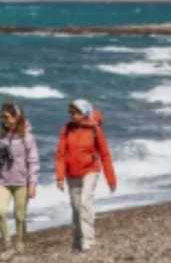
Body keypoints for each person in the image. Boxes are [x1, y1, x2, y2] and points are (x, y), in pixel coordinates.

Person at [55, 99, 116, 253]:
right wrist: (60, 177)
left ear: (85, 112)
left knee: (84, 202)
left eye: (76, 112)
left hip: (91, 170)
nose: (72, 115)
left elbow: (105, 155)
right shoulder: (66, 129)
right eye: (71, 112)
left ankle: (88, 241)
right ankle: (77, 241)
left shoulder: (95, 129)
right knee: (76, 208)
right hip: (72, 173)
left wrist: (111, 179)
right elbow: (60, 155)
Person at [0, 102, 39, 260]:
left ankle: (19, 241)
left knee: (19, 216)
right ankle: (7, 245)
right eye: (2, 118)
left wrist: (32, 184)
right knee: (0, 212)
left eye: (8, 117)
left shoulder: (27, 137)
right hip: (2, 182)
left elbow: (33, 161)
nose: (5, 121)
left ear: (17, 117)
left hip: (21, 183)